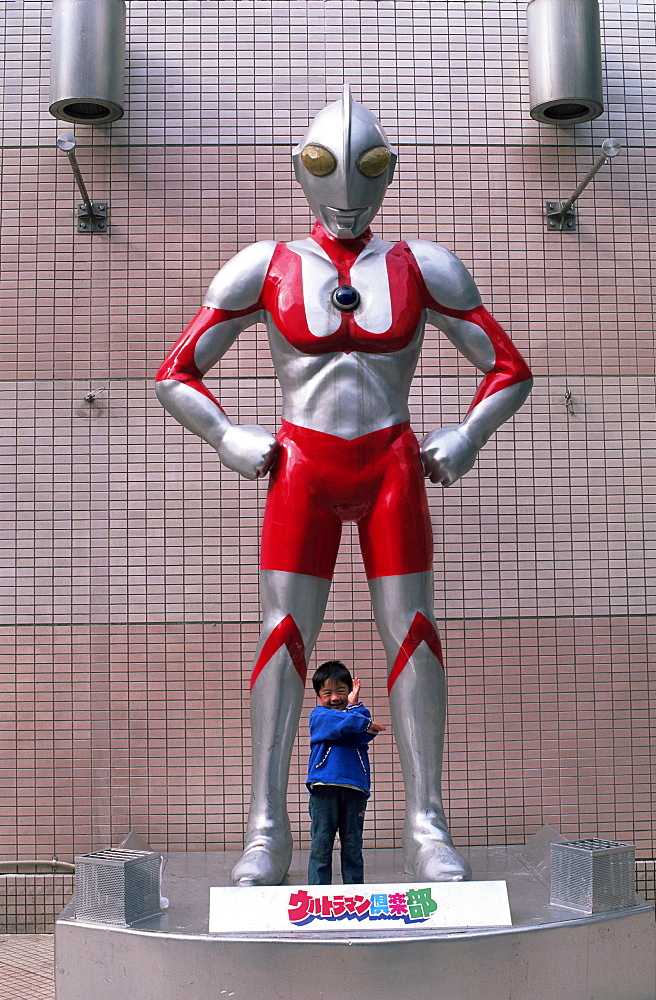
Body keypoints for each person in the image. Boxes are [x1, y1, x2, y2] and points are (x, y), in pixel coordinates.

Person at [155, 85, 533, 887]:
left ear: (385, 173)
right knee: (280, 639)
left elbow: (508, 368)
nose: (351, 197)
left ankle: (427, 822)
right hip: (302, 467)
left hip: (391, 464)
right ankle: (266, 829)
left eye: (369, 173)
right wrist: (226, 434)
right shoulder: (264, 266)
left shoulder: (422, 265)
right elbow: (176, 373)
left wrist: (466, 436)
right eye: (333, 171)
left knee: (415, 636)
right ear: (306, 171)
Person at [307, 661, 385, 885]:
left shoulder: (356, 713)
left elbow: (362, 729)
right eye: (327, 692)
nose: (335, 698)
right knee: (321, 846)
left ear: (350, 691)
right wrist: (360, 720)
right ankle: (317, 896)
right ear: (318, 695)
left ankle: (354, 896)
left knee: (352, 846)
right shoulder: (319, 715)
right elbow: (354, 724)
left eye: (342, 691)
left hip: (355, 789)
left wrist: (356, 709)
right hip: (324, 787)